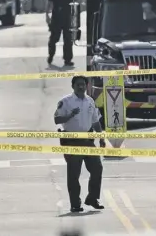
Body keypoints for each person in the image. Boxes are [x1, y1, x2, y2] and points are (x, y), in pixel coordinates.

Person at [55, 76, 106, 213]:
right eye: (78, 85)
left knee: (97, 169)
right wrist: (69, 116)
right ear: (73, 86)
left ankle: (92, 198)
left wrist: (101, 138)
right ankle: (75, 203)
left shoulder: (90, 101)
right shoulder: (66, 102)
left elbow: (95, 121)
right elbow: (57, 119)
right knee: (74, 174)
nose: (81, 87)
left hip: (88, 141)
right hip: (72, 142)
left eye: (83, 84)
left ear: (86, 86)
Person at [46, 0, 75, 67]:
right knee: (53, 39)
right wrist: (47, 15)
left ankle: (67, 59)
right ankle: (51, 55)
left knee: (68, 40)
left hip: (67, 19)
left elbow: (75, 5)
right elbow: (49, 4)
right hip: (56, 19)